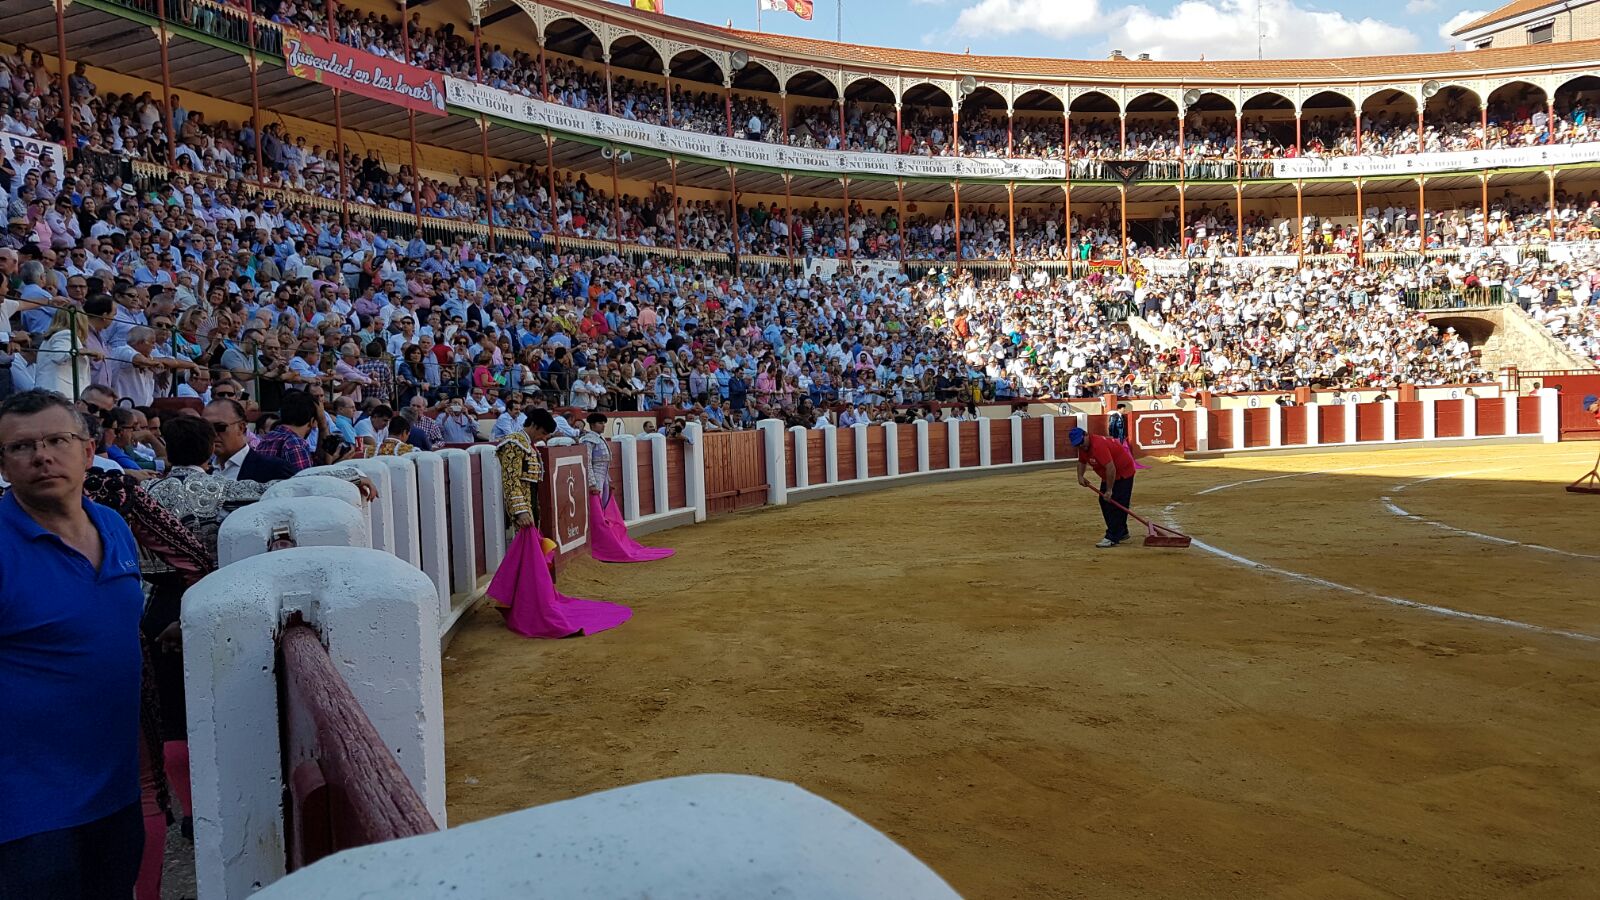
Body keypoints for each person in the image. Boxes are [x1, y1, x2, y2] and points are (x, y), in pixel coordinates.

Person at [0, 390, 146, 898]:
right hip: (25, 813)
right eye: (22, 447)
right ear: (4, 464)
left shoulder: (114, 526)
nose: (42, 455)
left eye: (57, 440)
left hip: (116, 792)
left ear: (88, 451)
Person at [490, 407, 631, 638]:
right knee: (525, 556)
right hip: (523, 509)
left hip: (531, 507)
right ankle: (522, 604)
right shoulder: (514, 444)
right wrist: (520, 510)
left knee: (528, 556)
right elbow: (511, 482)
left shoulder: (526, 444)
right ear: (534, 426)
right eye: (543, 433)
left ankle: (520, 602)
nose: (544, 438)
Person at [578, 412, 674, 563]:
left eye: (604, 423)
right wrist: (592, 484)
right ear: (593, 424)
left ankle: (604, 542)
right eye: (600, 423)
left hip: (602, 479)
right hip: (596, 480)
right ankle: (599, 544)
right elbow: (587, 463)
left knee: (602, 512)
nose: (603, 425)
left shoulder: (599, 438)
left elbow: (605, 465)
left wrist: (607, 481)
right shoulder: (588, 440)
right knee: (597, 514)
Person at [1070, 425, 1136, 548]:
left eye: (1081, 443)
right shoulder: (1084, 446)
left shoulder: (1098, 446)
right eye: (1077, 445)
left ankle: (1112, 536)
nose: (1081, 446)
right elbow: (1082, 461)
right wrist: (1080, 476)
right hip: (1108, 474)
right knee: (1105, 501)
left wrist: (1109, 490)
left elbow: (1111, 468)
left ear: (1086, 434)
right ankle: (1121, 531)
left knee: (1117, 504)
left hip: (1123, 473)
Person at [203, 397, 296, 481]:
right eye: (206, 428)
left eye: (219, 427)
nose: (213, 434)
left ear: (241, 427)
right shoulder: (202, 474)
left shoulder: (275, 469)